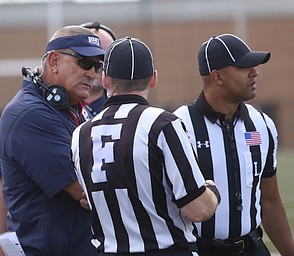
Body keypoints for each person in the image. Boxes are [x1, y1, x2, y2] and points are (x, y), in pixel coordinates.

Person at [71, 37, 221, 256]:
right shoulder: (163, 124)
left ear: (104, 80)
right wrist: (212, 190)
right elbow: (196, 209)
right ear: (153, 79)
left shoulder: (80, 134)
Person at [174, 34, 294, 256]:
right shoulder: (178, 126)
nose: (255, 72)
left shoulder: (262, 124)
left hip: (251, 247)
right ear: (218, 77)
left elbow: (269, 200)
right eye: (243, 67)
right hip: (198, 249)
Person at [0, 25, 106, 255]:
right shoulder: (28, 114)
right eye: (84, 62)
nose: (92, 73)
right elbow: (87, 192)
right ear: (54, 61)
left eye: (97, 66)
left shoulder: (71, 108)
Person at [80, 21, 117, 118]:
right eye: (91, 56)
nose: (100, 63)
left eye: (106, 56)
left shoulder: (121, 110)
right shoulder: (53, 108)